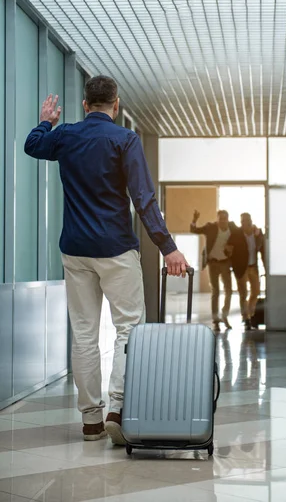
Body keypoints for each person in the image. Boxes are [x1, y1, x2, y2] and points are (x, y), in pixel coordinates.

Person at [24, 76, 187, 445]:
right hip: (115, 248)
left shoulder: (66, 135)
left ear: (85, 105)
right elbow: (144, 199)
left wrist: (46, 120)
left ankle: (91, 420)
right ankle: (118, 406)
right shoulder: (124, 139)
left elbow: (33, 145)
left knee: (84, 333)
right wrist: (167, 247)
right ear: (116, 105)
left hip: (75, 249)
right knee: (128, 327)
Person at [190, 210, 237, 331]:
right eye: (220, 218)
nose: (222, 221)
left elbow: (241, 236)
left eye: (224, 218)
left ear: (227, 219)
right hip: (213, 263)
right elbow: (194, 230)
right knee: (215, 291)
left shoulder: (232, 228)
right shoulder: (210, 227)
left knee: (229, 290)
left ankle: (224, 315)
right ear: (217, 219)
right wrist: (194, 220)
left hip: (225, 263)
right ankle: (216, 320)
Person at [225, 213, 265, 331]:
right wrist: (228, 253)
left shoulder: (256, 233)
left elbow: (262, 244)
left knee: (256, 291)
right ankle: (247, 318)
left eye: (246, 220)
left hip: (253, 267)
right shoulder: (236, 234)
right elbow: (228, 248)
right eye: (242, 221)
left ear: (250, 220)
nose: (244, 223)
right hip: (241, 268)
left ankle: (249, 313)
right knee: (243, 294)